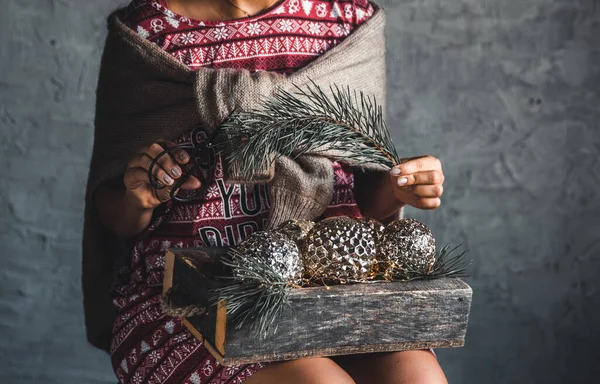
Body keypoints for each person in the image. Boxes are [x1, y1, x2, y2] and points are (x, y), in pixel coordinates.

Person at [90, 1, 446, 383]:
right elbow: (112, 215)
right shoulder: (147, 35)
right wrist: (138, 198)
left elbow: (361, 197)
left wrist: (397, 188)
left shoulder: (347, 23)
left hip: (332, 286)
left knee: (419, 378)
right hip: (189, 298)